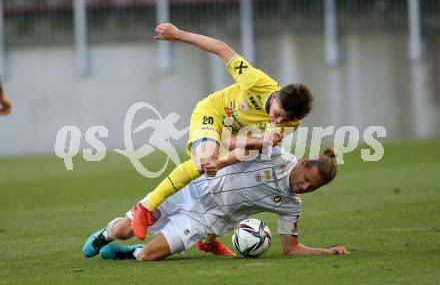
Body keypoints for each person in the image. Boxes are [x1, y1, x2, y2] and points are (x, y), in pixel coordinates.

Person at [132, 23, 314, 241]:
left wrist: (260, 142)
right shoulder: (255, 81)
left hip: (235, 135)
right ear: (275, 97)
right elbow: (220, 47)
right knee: (205, 161)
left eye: (285, 119)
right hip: (212, 113)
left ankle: (208, 242)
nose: (277, 121)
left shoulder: (290, 123)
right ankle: (145, 208)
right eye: (277, 113)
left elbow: (239, 144)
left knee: (238, 182)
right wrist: (178, 34)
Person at [82, 147, 349, 261]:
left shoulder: (292, 205)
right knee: (123, 231)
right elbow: (237, 143)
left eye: (311, 188)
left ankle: (132, 253)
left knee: (148, 257)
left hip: (205, 218)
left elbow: (291, 249)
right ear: (302, 164)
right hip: (190, 189)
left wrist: (326, 252)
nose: (303, 187)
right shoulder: (276, 155)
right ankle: (105, 235)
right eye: (305, 180)